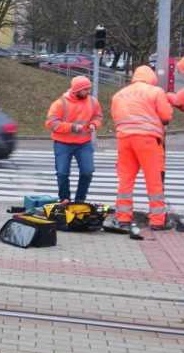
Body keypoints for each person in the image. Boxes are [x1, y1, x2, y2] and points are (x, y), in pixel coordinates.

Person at [111, 66, 174, 231]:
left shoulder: (119, 94)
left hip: (124, 139)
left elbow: (116, 116)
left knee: (125, 180)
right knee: (154, 180)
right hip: (147, 139)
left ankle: (123, 218)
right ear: (151, 78)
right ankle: (157, 220)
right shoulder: (155, 92)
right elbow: (166, 116)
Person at [45, 76, 102, 204]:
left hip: (84, 143)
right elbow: (51, 123)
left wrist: (94, 124)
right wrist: (72, 127)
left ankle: (80, 200)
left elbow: (98, 116)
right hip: (63, 143)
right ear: (76, 90)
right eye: (85, 89)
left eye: (89, 89)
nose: (88, 92)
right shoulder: (60, 103)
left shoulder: (93, 102)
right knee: (62, 173)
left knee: (87, 171)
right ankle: (65, 199)